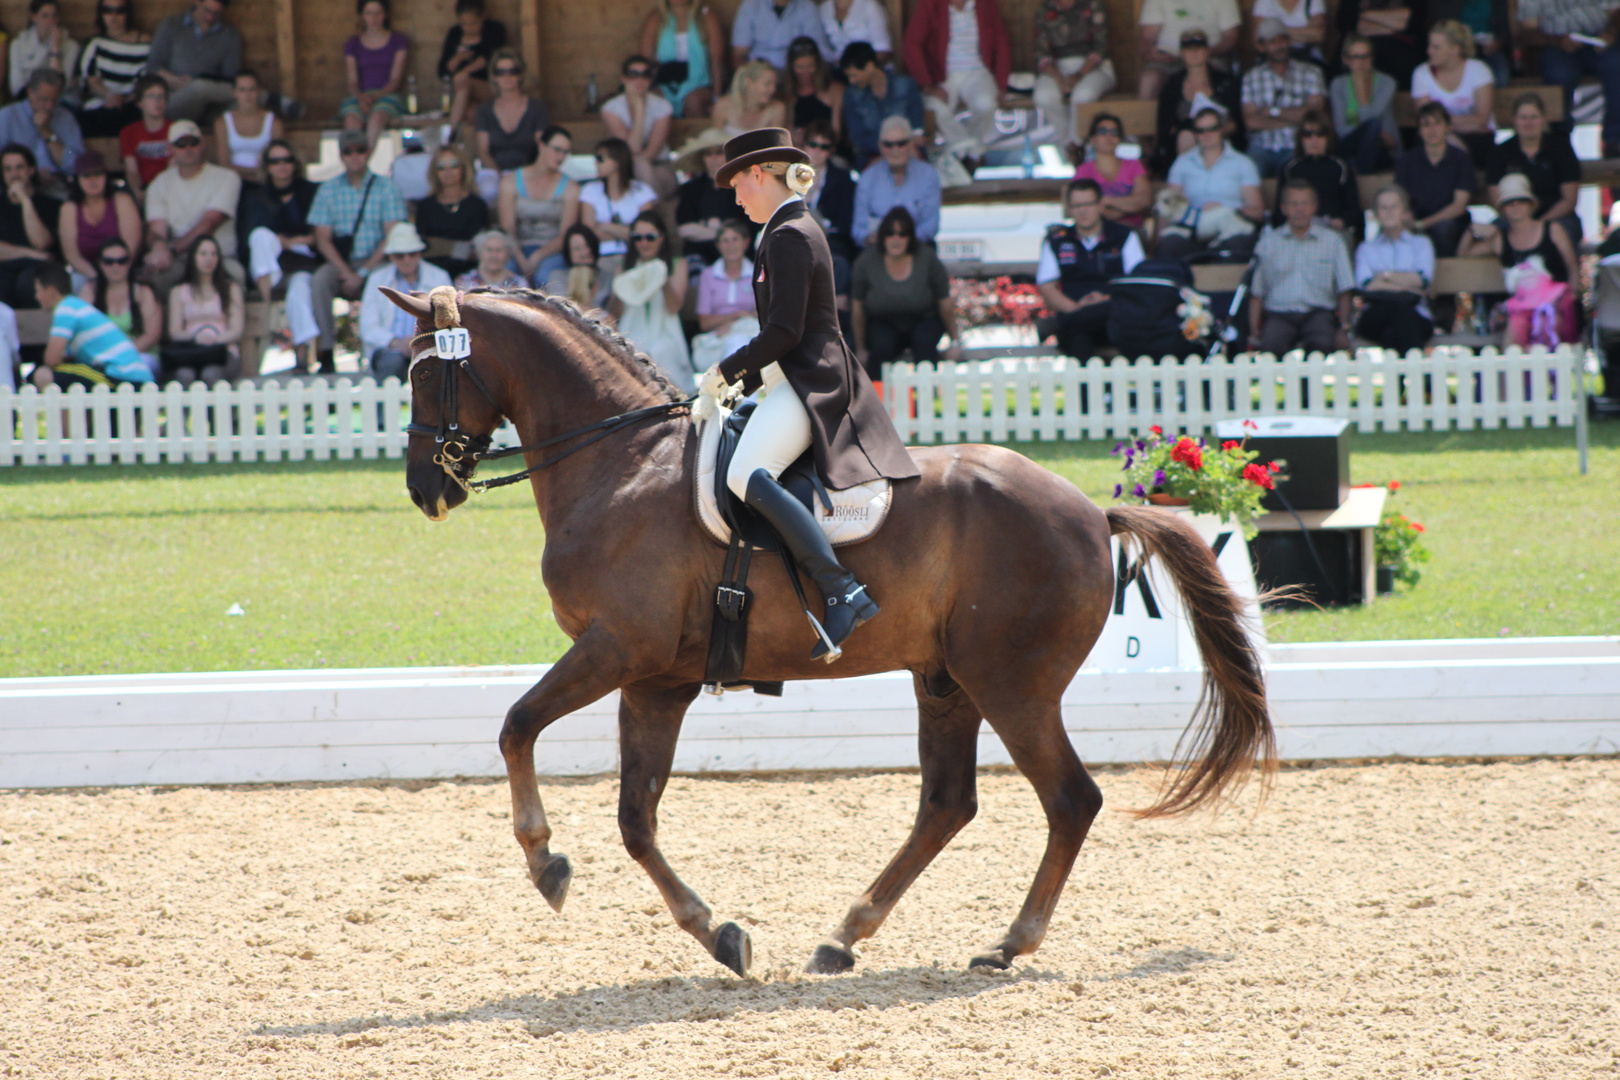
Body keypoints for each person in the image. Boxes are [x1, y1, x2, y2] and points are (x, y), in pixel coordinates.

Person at [699, 127, 919, 660]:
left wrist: (724, 373)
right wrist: (744, 384)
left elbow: (784, 334)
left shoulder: (790, 235)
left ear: (759, 174)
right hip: (791, 376)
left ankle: (840, 587)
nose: (736, 198)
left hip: (811, 381)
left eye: (738, 186)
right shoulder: (784, 229)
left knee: (744, 475)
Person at [307, 129, 406, 373]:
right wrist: (347, 272)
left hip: (377, 261)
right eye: (348, 151)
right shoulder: (328, 189)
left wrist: (363, 272)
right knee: (320, 280)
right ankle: (326, 352)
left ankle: (382, 349)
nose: (354, 156)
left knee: (388, 280)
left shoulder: (386, 187)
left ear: (368, 153)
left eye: (360, 150)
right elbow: (322, 239)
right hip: (342, 261)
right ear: (340, 155)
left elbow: (391, 237)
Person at [1458, 171, 1578, 341]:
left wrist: (1572, 298)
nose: (1516, 206)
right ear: (1502, 209)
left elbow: (1572, 266)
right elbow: (1464, 254)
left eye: (1521, 201)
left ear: (1530, 204)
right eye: (1509, 203)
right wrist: (1471, 230)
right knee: (1515, 328)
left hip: (1556, 306)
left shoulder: (1552, 230)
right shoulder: (1500, 239)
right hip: (1521, 310)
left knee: (1547, 323)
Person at [1034, 178, 1144, 361]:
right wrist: (1076, 308)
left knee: (1079, 325)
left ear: (1100, 205)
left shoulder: (1124, 236)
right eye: (1077, 205)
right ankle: (1093, 390)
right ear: (1069, 209)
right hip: (1074, 314)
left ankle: (1057, 325)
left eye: (1088, 204)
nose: (1083, 210)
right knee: (1077, 338)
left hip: (1114, 316)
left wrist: (1107, 299)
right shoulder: (1057, 241)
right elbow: (1047, 286)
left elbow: (1138, 283)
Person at [851, 203, 961, 378]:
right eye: (890, 233)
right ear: (882, 236)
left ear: (910, 237)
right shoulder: (866, 260)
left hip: (923, 320)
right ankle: (878, 401)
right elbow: (857, 306)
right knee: (880, 347)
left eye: (902, 234)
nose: (896, 239)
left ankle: (925, 400)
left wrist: (955, 342)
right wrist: (861, 348)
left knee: (925, 344)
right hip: (883, 323)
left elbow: (945, 302)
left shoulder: (927, 258)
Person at [1249, 179, 1355, 355]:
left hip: (1319, 313)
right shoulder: (1268, 243)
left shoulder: (1333, 241)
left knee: (1322, 343)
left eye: (1305, 203)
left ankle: (1310, 384)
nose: (1300, 209)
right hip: (1279, 314)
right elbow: (1256, 292)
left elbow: (1345, 289)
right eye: (1294, 204)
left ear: (1314, 207)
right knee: (1270, 345)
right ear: (1284, 208)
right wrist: (1254, 331)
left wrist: (1344, 328)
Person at [902, 0, 1010, 165]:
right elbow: (911, 44)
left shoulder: (985, 4)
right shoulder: (930, 4)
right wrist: (928, 84)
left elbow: (1001, 42)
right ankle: (971, 152)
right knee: (935, 107)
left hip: (977, 71)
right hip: (942, 75)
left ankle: (966, 154)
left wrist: (1001, 84)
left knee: (986, 104)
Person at [240, 138, 319, 363]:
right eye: (275, 161)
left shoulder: (310, 192)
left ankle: (302, 355)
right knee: (260, 237)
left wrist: (288, 242)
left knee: (299, 292)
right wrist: (279, 241)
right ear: (267, 166)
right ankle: (267, 303)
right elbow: (251, 235)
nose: (282, 165)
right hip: (271, 265)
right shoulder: (257, 196)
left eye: (287, 160)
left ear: (295, 163)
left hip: (302, 262)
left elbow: (318, 236)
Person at [143, 119, 243, 293]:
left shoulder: (227, 177)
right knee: (152, 280)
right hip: (179, 261)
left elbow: (209, 224)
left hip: (220, 258)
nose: (188, 149)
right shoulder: (159, 183)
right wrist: (158, 247)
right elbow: (156, 230)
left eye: (193, 142)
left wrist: (170, 250)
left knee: (237, 277)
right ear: (170, 148)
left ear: (202, 144)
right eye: (181, 144)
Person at [1157, 106, 1263, 261]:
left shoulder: (1243, 163)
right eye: (1201, 130)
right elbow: (1169, 205)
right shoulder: (1182, 163)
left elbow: (1257, 211)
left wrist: (1226, 209)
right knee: (1169, 245)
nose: (1207, 134)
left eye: (1212, 128)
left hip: (1230, 228)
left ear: (1221, 130)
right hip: (1191, 229)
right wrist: (1159, 240)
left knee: (1238, 245)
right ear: (1195, 133)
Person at [1517, 0, 1620, 156]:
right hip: (1555, 44)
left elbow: (1616, 11)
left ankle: (1614, 140)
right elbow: (1527, 31)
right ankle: (1560, 142)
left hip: (1600, 40)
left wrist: (1611, 32)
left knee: (1616, 64)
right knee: (1560, 74)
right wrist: (1558, 41)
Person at [31, 259, 153, 389]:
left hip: (121, 376)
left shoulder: (66, 308)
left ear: (51, 291)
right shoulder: (76, 305)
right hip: (132, 378)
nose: (36, 297)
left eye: (38, 291)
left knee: (43, 375)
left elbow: (52, 360)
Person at [608, 211, 691, 392]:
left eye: (650, 237)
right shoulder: (625, 266)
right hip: (633, 331)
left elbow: (674, 306)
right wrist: (622, 287)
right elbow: (616, 313)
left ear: (661, 238)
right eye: (638, 238)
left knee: (662, 350)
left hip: (666, 334)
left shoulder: (677, 263)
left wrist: (660, 276)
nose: (644, 243)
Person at [1484, 92, 1582, 247]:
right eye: (1523, 117)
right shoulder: (1500, 152)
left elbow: (1569, 200)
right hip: (1513, 217)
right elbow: (1496, 198)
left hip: (1555, 216)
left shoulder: (1561, 149)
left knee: (1566, 230)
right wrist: (1520, 222)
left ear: (1543, 119)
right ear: (1514, 121)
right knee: (1490, 236)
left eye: (1534, 117)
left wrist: (1539, 225)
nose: (1528, 122)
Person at [358, 222, 452, 382]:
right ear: (391, 256)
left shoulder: (439, 277)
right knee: (392, 363)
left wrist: (422, 342)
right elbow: (368, 326)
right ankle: (384, 408)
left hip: (430, 347)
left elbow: (449, 322)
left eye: (412, 253)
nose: (406, 259)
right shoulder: (377, 279)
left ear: (420, 253)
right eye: (400, 255)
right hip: (390, 349)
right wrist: (397, 343)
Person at [1354, 184, 1435, 352]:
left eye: (1394, 206)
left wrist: (1384, 276)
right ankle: (1419, 376)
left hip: (1416, 314)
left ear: (1405, 211)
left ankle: (1401, 377)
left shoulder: (1421, 244)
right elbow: (1366, 286)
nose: (1389, 211)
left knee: (1392, 332)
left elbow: (1422, 280)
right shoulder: (1366, 248)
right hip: (1375, 315)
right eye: (1383, 208)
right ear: (1376, 215)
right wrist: (1406, 286)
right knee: (1400, 313)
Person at [1241, 18, 1326, 178]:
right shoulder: (1251, 77)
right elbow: (1251, 122)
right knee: (1248, 173)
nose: (1279, 46)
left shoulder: (1311, 72)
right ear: (1261, 47)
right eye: (1272, 42)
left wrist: (1272, 111)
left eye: (1283, 40)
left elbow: (1314, 116)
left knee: (1296, 174)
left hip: (1296, 145)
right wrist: (1296, 118)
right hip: (1261, 146)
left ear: (1290, 41)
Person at [1150, 29, 1243, 174]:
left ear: (1207, 51)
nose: (1194, 53)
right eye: (1188, 49)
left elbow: (1236, 123)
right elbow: (1165, 128)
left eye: (1199, 48)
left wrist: (1211, 133)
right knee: (1186, 136)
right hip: (1182, 146)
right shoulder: (1172, 86)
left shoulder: (1226, 82)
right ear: (1182, 53)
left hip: (1221, 140)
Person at [497, 125, 578, 285]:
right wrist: (521, 259)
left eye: (565, 152)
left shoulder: (570, 186)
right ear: (541, 145)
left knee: (546, 278)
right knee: (504, 277)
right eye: (557, 149)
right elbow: (507, 228)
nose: (561, 156)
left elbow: (565, 234)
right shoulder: (511, 180)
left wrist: (537, 256)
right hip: (516, 248)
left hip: (552, 251)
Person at [1394, 102, 1474, 257]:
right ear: (1419, 131)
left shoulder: (1461, 159)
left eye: (1437, 123)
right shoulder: (1407, 160)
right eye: (1426, 125)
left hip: (1451, 223)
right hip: (1416, 221)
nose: (1432, 130)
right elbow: (1400, 197)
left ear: (1448, 127)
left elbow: (1458, 206)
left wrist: (1423, 224)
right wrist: (1408, 218)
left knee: (1443, 228)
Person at [162, 233, 242, 385]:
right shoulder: (178, 291)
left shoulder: (231, 288)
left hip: (223, 352)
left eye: (213, 254)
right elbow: (174, 332)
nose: (209, 259)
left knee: (210, 374)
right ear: (193, 257)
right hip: (191, 351)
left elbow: (236, 330)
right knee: (184, 376)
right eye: (203, 254)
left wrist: (214, 339)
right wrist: (195, 337)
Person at [146, 0, 246, 122]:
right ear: (197, 2)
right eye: (207, 10)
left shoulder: (230, 34)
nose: (210, 17)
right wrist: (177, 81)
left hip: (211, 102)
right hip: (175, 98)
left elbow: (230, 79)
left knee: (248, 96)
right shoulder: (171, 25)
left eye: (217, 13)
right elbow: (153, 67)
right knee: (199, 87)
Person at [1411, 19, 1495, 162]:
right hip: (1439, 138)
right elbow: (1426, 121)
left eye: (1436, 47)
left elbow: (1481, 121)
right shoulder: (1421, 73)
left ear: (1454, 49)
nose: (1429, 51)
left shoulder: (1479, 70)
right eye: (1429, 46)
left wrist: (1441, 125)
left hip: (1477, 139)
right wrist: (1451, 134)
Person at [1032, 0, 1115, 145]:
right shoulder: (1046, 8)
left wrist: (1078, 76)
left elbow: (1100, 48)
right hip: (1058, 67)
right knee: (1043, 96)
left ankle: (1077, 145)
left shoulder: (1092, 4)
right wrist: (1060, 80)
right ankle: (1069, 145)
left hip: (1094, 67)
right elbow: (1042, 54)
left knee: (1082, 96)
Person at [852, 115, 940, 246]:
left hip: (917, 247)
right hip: (877, 249)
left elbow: (930, 225)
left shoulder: (928, 175)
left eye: (901, 144)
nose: (895, 150)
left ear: (910, 144)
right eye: (888, 145)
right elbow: (858, 229)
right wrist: (873, 239)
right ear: (880, 147)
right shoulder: (867, 178)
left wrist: (901, 242)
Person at [81, 236, 162, 377]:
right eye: (109, 262)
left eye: (121, 261)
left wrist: (122, 354)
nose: (115, 266)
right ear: (100, 263)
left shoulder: (143, 291)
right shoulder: (89, 291)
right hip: (101, 360)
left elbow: (151, 335)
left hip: (140, 356)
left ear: (129, 263)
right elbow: (82, 333)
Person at [57, 151, 140, 287]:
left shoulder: (122, 200)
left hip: (122, 268)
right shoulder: (69, 208)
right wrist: (96, 277)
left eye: (98, 173)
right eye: (86, 175)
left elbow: (131, 247)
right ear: (77, 179)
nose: (93, 180)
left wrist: (115, 272)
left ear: (106, 176)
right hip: (86, 273)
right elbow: (71, 254)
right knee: (76, 283)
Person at [339, 0, 409, 154]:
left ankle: (365, 157)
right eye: (369, 13)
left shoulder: (398, 40)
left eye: (378, 13)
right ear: (362, 16)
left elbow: (395, 80)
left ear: (385, 15)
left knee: (377, 117)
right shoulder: (353, 43)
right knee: (351, 118)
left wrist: (375, 97)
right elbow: (352, 81)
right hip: (361, 96)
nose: (374, 18)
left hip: (387, 95)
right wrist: (361, 97)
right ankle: (353, 156)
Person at [75, 0, 151, 139]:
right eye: (107, 10)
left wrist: (128, 99)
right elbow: (91, 78)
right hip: (103, 101)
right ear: (101, 14)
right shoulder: (95, 43)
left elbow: (145, 79)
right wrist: (108, 96)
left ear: (127, 13)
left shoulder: (145, 44)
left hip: (132, 104)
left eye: (119, 11)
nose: (113, 16)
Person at [839, 41, 924, 165]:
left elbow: (916, 125)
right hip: (872, 155)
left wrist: (900, 147)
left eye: (854, 75)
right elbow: (858, 137)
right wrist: (888, 149)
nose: (851, 81)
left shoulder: (906, 85)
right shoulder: (851, 95)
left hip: (907, 151)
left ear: (869, 66)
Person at [577, 137, 657, 269]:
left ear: (617, 161)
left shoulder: (642, 191)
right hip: (599, 257)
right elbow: (588, 234)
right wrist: (628, 232)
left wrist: (606, 227)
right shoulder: (590, 190)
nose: (596, 163)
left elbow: (644, 234)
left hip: (635, 257)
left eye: (600, 158)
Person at [691, 218, 760, 371]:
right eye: (725, 241)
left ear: (746, 242)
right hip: (718, 337)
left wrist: (737, 322)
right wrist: (735, 316)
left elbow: (764, 312)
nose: (731, 245)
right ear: (718, 245)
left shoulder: (758, 273)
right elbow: (704, 323)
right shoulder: (708, 275)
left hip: (750, 335)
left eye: (735, 239)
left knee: (739, 342)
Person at [639, 0, 725, 119]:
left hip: (698, 83)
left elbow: (716, 62)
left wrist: (717, 98)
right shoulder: (656, 18)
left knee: (693, 101)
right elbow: (645, 63)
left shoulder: (705, 16)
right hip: (665, 82)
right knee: (655, 101)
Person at [1137, 0, 1239, 100]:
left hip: (1209, 59)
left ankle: (1211, 115)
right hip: (1169, 60)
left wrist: (1207, 52)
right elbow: (1147, 38)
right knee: (1149, 78)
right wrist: (1150, 54)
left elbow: (1231, 37)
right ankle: (1145, 116)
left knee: (1220, 78)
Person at [1275, 111, 1359, 231]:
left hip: (1333, 229)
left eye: (1320, 133)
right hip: (1297, 230)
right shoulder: (1290, 168)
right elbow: (1279, 212)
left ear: (1328, 137)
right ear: (1300, 138)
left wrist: (1342, 221)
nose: (1314, 139)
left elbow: (1354, 211)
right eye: (1307, 134)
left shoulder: (1341, 167)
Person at [0, 69, 86, 186]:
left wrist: (48, 133)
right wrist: (32, 174)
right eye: (44, 99)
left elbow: (76, 163)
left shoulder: (66, 118)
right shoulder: (7, 116)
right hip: (18, 187)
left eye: (54, 100)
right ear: (30, 93)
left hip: (59, 189)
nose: (49, 106)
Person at [602, 55, 674, 192]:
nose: (639, 80)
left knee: (642, 166)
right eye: (633, 75)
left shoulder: (663, 107)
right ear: (623, 79)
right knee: (640, 167)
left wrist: (639, 105)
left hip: (659, 165)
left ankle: (648, 212)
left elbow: (651, 153)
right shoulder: (610, 108)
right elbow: (630, 149)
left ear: (650, 79)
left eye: (645, 75)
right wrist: (640, 109)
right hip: (623, 168)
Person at [1329, 33, 1399, 174]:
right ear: (1346, 59)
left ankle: (1360, 174)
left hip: (1383, 149)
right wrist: (1375, 134)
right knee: (1372, 128)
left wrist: (1361, 91)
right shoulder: (1338, 85)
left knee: (1373, 126)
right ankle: (1363, 173)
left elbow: (1371, 119)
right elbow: (1340, 129)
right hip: (1351, 146)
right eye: (1356, 57)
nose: (1362, 62)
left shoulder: (1387, 82)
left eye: (1366, 56)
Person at [0, 144, 59, 309]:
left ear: (31, 170)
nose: (14, 174)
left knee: (27, 284)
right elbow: (37, 251)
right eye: (8, 169)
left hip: (38, 270)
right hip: (5, 269)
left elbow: (41, 243)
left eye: (19, 167)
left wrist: (25, 201)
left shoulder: (50, 205)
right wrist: (30, 253)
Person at [674, 128, 743, 269]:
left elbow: (743, 227)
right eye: (708, 154)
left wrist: (703, 228)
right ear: (702, 158)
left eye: (719, 152)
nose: (714, 158)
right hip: (698, 256)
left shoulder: (741, 187)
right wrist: (720, 230)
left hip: (738, 256)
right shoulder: (690, 189)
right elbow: (685, 229)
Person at [417, 146, 489, 280]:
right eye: (441, 167)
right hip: (431, 275)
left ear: (464, 168)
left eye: (454, 165)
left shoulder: (477, 205)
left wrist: (440, 246)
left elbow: (477, 249)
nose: (448, 171)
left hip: (469, 276)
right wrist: (459, 247)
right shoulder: (425, 206)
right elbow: (422, 246)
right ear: (434, 172)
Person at [474, 49, 549, 172]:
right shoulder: (484, 110)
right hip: (495, 174)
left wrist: (523, 179)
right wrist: (501, 179)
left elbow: (542, 148)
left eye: (513, 71)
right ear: (493, 77)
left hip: (530, 173)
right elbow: (483, 152)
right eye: (500, 72)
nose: (507, 77)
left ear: (520, 75)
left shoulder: (537, 108)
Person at [1073, 112, 1150, 229]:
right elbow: (1076, 205)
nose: (1109, 136)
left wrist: (1105, 201)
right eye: (1103, 132)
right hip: (1096, 231)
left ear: (1119, 139)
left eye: (1114, 132)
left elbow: (1143, 200)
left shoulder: (1134, 166)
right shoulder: (1083, 171)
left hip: (1131, 231)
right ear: (1093, 139)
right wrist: (1123, 208)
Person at [438, 0, 507, 128]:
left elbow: (490, 58)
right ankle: (458, 141)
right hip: (462, 95)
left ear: (483, 16)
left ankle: (451, 136)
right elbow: (443, 71)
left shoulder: (494, 30)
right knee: (471, 113)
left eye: (474, 23)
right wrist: (457, 59)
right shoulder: (455, 33)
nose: (469, 28)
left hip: (489, 87)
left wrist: (465, 71)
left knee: (464, 80)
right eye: (464, 24)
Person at [1337, 0, 1424, 91]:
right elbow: (1346, 22)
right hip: (1361, 43)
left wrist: (1364, 15)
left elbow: (1412, 20)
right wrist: (1393, 26)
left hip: (1401, 48)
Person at [802, 118, 855, 264]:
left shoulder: (842, 179)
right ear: (804, 145)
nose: (818, 151)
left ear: (831, 151)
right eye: (813, 145)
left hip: (828, 241)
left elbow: (844, 223)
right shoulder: (788, 175)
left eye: (824, 147)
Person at [212, 69, 280, 182]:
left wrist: (261, 175)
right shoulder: (222, 122)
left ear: (259, 91)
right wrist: (254, 172)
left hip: (265, 180)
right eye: (242, 90)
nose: (247, 95)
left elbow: (277, 159)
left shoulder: (273, 122)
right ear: (234, 93)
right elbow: (223, 163)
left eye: (252, 90)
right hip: (233, 180)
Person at [731, 0, 833, 70]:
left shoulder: (807, 7)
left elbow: (817, 50)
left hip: (794, 73)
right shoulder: (751, 5)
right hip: (758, 71)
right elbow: (739, 53)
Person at [1429, 0, 1512, 86]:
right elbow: (1442, 26)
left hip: (1487, 50)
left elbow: (1504, 32)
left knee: (1501, 77)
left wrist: (1496, 44)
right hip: (1457, 49)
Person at [9, 0, 79, 100]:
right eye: (45, 16)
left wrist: (55, 50)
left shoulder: (71, 46)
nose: (50, 21)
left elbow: (63, 85)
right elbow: (16, 85)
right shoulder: (18, 44)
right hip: (27, 98)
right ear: (34, 17)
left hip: (58, 100)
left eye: (54, 16)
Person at [119, 75, 170, 207]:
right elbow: (131, 170)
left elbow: (174, 168)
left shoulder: (175, 129)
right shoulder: (129, 132)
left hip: (169, 189)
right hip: (142, 189)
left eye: (161, 96)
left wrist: (157, 193)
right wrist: (137, 192)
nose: (157, 101)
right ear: (140, 103)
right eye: (151, 96)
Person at [787, 35, 845, 143]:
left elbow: (836, 133)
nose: (805, 72)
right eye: (799, 67)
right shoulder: (787, 95)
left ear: (818, 65)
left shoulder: (834, 90)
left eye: (810, 66)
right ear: (791, 67)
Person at [712, 60, 787, 138]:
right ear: (749, 83)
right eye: (767, 84)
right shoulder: (723, 106)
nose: (773, 89)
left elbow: (777, 146)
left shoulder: (777, 109)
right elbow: (714, 144)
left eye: (774, 85)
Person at [551, 222, 608, 306]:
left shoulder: (606, 277)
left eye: (587, 246)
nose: (584, 252)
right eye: (577, 249)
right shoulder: (557, 277)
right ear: (569, 253)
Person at [1249, 0, 1326, 62]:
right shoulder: (1265, 2)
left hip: (1308, 56)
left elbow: (1319, 35)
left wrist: (1274, 32)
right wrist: (1304, 33)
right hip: (1272, 56)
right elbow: (1258, 37)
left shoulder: (1313, 1)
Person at [820, 0, 892, 63]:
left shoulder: (870, 5)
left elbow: (882, 50)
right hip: (838, 71)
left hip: (868, 70)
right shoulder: (824, 9)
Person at [455, 228, 525, 289]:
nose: (494, 255)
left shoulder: (518, 283)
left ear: (508, 254)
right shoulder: (465, 281)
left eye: (498, 250)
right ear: (479, 252)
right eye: (489, 250)